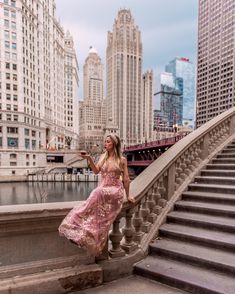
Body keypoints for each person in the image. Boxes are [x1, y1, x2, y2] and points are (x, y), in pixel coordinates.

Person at [58, 134, 135, 256]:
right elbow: (96, 171)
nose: (105, 144)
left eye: (108, 142)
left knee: (97, 192)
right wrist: (89, 159)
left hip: (115, 189)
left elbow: (126, 179)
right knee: (96, 196)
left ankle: (86, 231)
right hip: (103, 188)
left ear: (114, 144)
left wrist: (128, 195)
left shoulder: (122, 159)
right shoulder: (103, 157)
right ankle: (82, 232)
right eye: (105, 142)